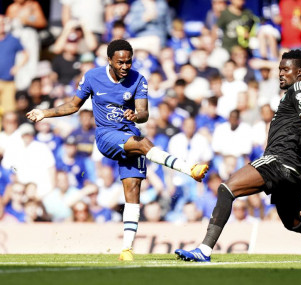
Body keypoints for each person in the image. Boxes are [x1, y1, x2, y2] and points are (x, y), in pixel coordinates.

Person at [26, 39, 209, 261]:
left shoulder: (138, 79)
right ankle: (189, 169)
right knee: (143, 144)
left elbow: (144, 112)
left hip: (129, 133)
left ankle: (126, 250)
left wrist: (135, 115)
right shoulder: (93, 77)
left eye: (128, 62)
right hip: (107, 136)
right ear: (110, 60)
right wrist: (45, 113)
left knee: (133, 191)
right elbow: (73, 106)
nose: (125, 66)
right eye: (120, 62)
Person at [175, 49, 301, 263]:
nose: (280, 74)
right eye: (279, 69)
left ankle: (204, 250)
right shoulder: (292, 94)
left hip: (278, 161)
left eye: (286, 69)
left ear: (300, 72)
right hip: (292, 172)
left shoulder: (300, 90)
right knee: (294, 223)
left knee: (226, 189)